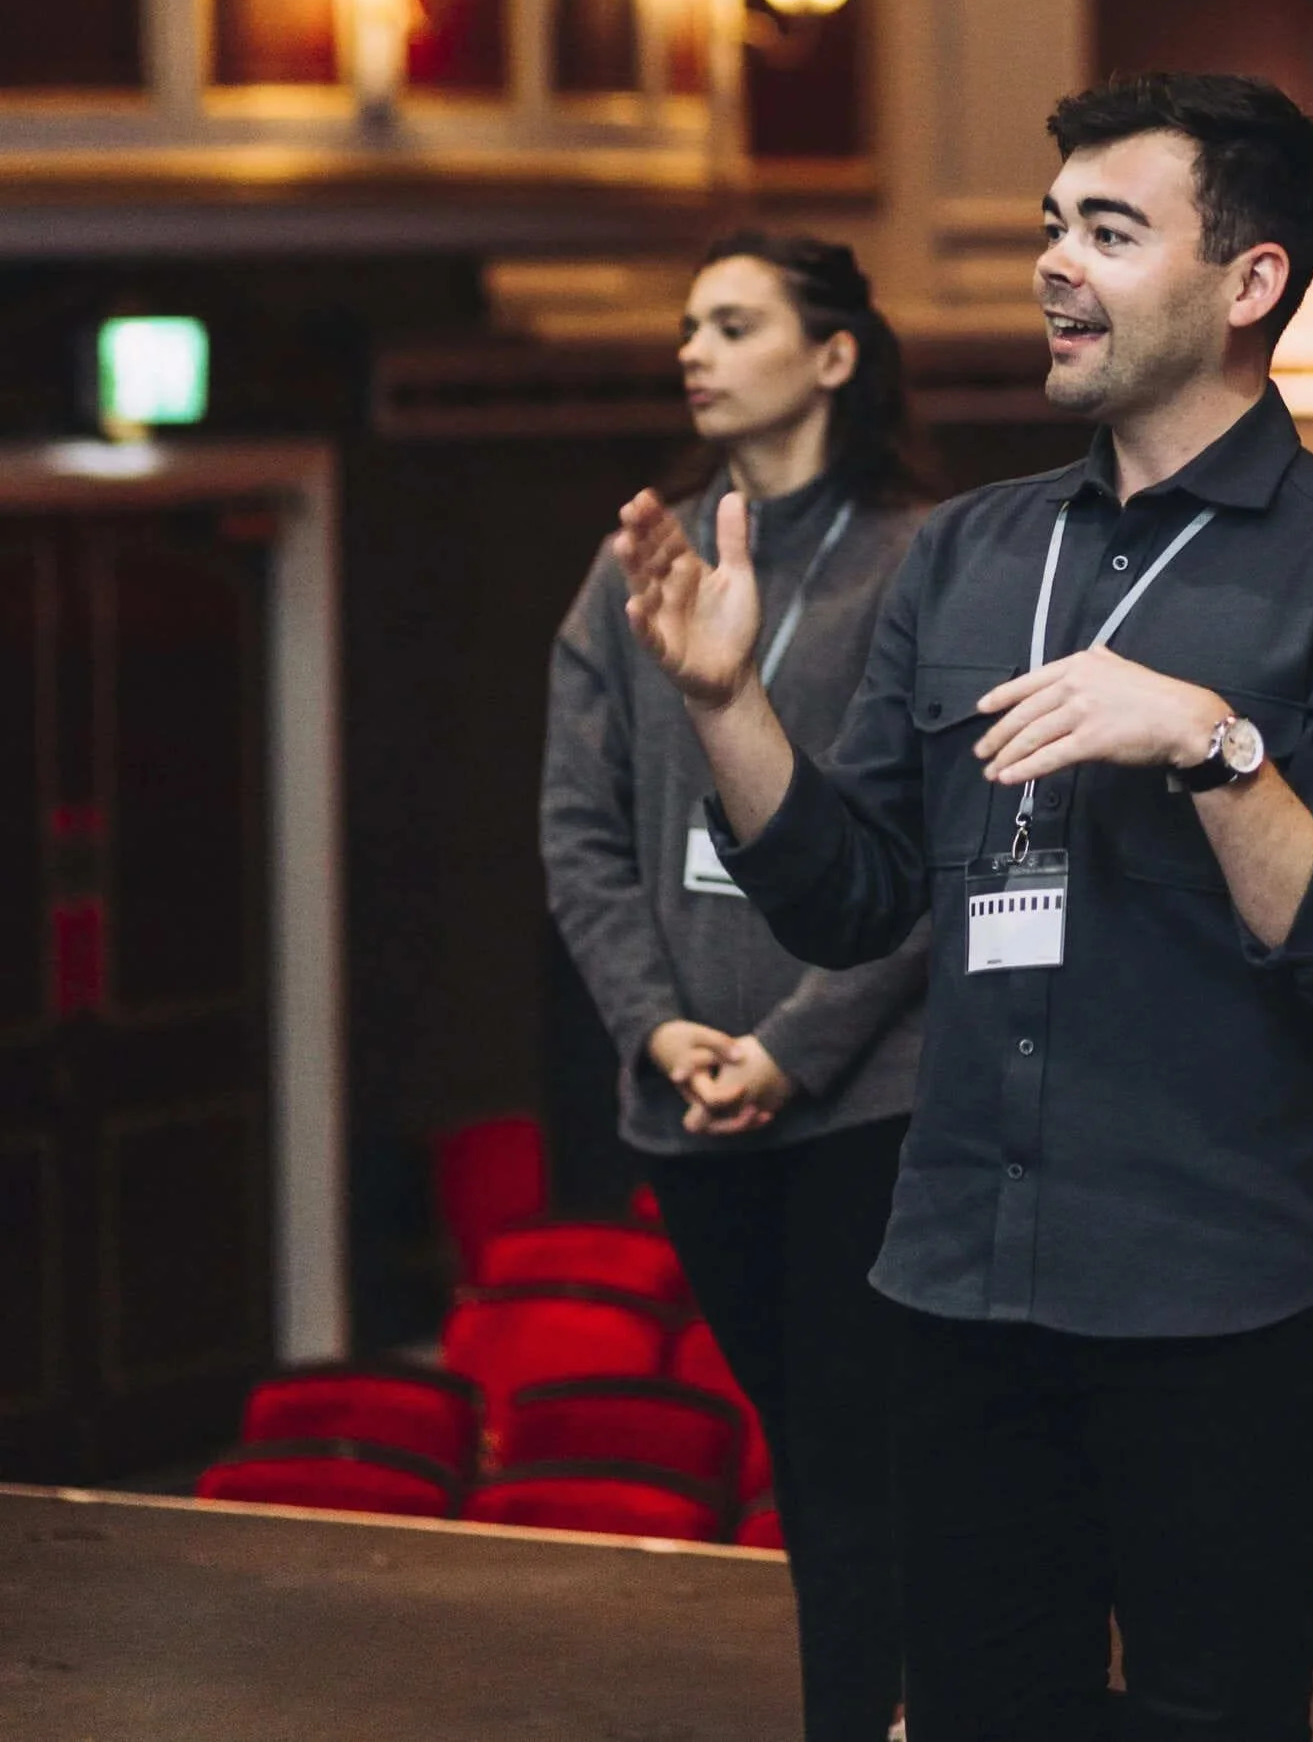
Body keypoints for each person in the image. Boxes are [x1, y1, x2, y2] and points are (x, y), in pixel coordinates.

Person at [614, 74, 1313, 1742]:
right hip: (957, 1283)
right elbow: (852, 900)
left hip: (1221, 1297)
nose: (1052, 267)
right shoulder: (971, 556)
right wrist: (727, 707)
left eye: (1109, 229)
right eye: (1048, 229)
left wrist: (1217, 748)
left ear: (1250, 284)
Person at [541, 231, 927, 1742]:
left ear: (831, 355)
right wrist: (656, 1026)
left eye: (732, 321)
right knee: (806, 1445)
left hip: (859, 1101)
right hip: (686, 1093)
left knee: (851, 1451)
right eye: (685, 322)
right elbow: (577, 831)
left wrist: (795, 1047)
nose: (692, 348)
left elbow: (935, 856)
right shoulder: (634, 566)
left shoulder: (917, 557)